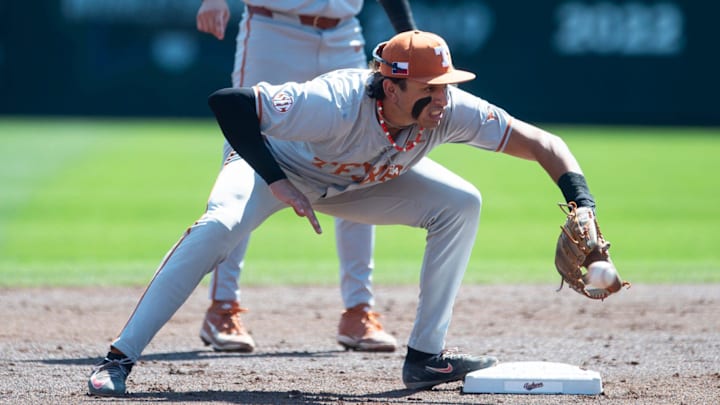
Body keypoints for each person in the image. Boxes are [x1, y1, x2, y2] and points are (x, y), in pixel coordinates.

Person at [88, 30, 603, 395]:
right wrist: (277, 181)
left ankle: (425, 359)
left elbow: (542, 142)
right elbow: (229, 103)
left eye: (445, 85)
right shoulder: (334, 101)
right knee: (218, 227)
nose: (442, 98)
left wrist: (584, 205)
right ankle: (119, 359)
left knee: (461, 203)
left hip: (355, 183)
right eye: (429, 88)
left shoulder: (447, 111)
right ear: (392, 84)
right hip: (273, 167)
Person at [193, 0, 417, 354]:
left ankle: (359, 310)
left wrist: (408, 32)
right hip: (273, 30)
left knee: (361, 157)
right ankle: (222, 306)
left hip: (344, 34)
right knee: (244, 158)